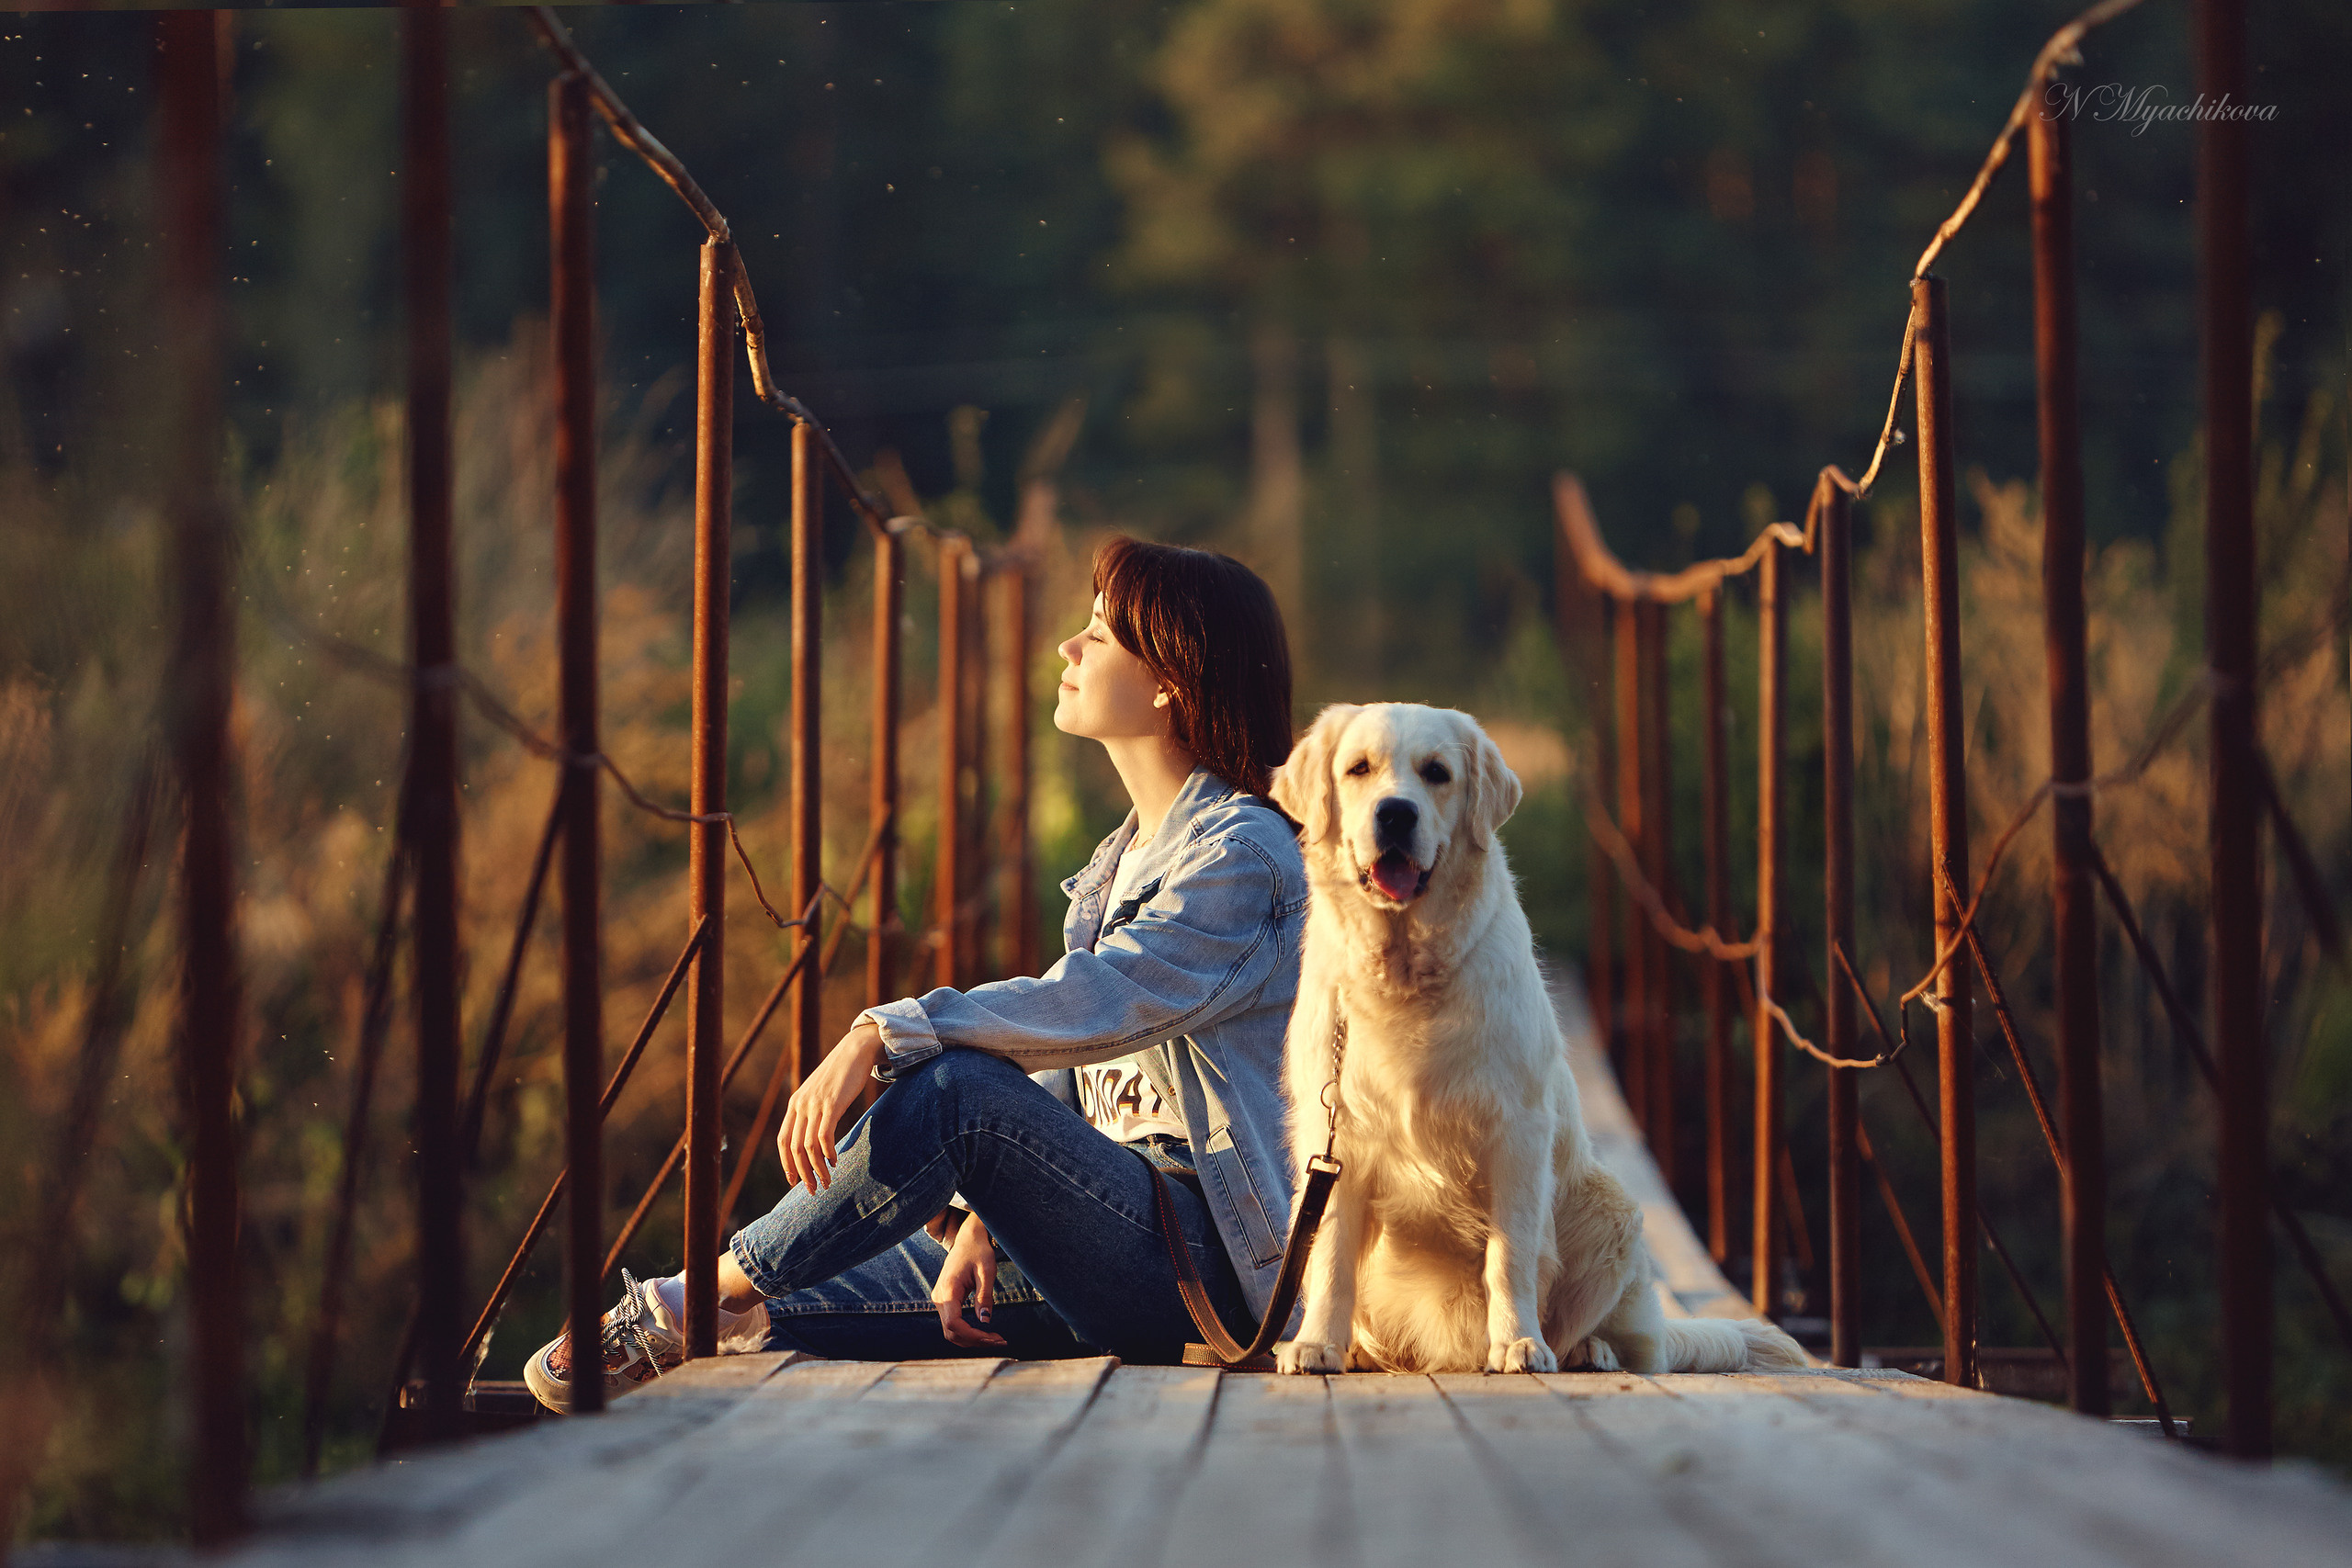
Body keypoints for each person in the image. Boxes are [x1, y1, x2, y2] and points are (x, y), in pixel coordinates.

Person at [526, 536, 1306, 1410]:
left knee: (959, 1090)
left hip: (1207, 1264)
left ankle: (684, 1296)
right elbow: (1084, 1073)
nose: (1069, 649)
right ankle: (710, 1312)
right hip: (1102, 1226)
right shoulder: (1122, 858)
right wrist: (988, 1214)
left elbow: (1100, 1003)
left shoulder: (1246, 857)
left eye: (1098, 632)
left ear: (1169, 680)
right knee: (784, 1313)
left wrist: (882, 1028)